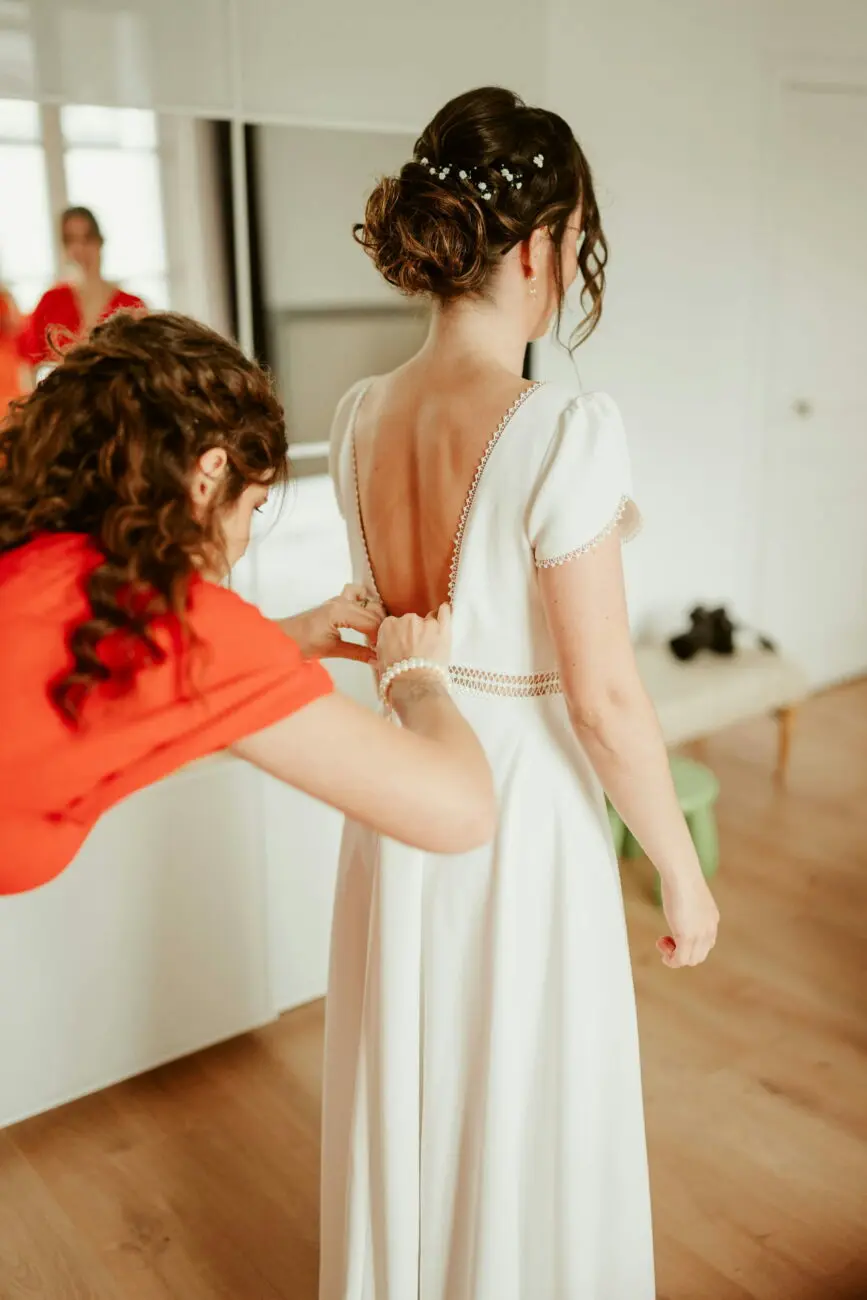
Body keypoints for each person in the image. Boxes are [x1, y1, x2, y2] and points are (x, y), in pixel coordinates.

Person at [323, 86, 720, 1300]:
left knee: (414, 1071)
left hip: (398, 788)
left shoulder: (355, 417)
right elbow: (601, 697)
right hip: (520, 806)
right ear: (542, 246)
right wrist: (683, 872)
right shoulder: (563, 426)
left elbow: (441, 591)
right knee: (523, 1083)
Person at [0, 310, 495, 896]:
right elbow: (462, 812)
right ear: (209, 474)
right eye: (254, 507)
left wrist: (293, 637)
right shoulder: (185, 626)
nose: (240, 543)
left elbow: (140, 679)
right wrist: (417, 678)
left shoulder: (38, 559)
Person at [18, 206, 146, 372]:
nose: (80, 249)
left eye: (87, 238)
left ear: (100, 240)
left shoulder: (132, 306)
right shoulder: (51, 301)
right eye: (71, 240)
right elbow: (28, 365)